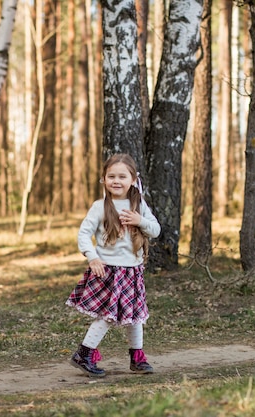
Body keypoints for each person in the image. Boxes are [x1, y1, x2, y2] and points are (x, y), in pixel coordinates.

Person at [66, 153, 161, 377]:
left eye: (122, 176)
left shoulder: (139, 205)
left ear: (133, 179)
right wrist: (92, 257)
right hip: (108, 271)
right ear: (104, 179)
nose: (116, 181)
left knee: (135, 315)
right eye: (111, 176)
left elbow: (155, 230)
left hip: (133, 271)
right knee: (109, 316)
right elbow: (83, 235)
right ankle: (84, 353)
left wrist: (140, 221)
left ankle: (137, 357)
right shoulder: (100, 207)